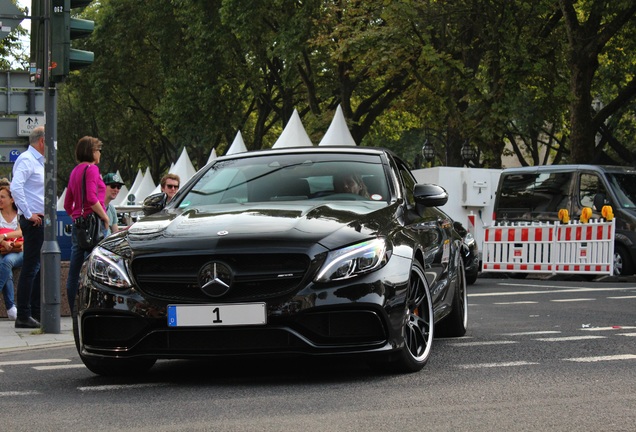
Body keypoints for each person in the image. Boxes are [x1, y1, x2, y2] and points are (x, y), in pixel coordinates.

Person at [64, 136, 110, 312]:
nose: (99, 153)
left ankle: (74, 312)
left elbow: (68, 204)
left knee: (74, 272)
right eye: (98, 150)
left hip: (79, 226)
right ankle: (94, 309)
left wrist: (77, 217)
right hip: (94, 223)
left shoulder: (75, 171)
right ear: (91, 151)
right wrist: (104, 217)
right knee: (96, 267)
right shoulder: (92, 169)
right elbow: (92, 198)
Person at [10, 126, 45, 329]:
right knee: (31, 267)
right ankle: (24, 314)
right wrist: (29, 212)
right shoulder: (27, 159)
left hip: (39, 220)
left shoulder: (37, 161)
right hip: (34, 222)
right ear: (41, 141)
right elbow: (16, 186)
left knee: (37, 267)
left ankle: (34, 312)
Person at [0, 180, 23, 321]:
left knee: (7, 261)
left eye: (2, 197)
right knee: (3, 264)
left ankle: (10, 307)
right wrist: (3, 242)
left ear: (11, 199)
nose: (0, 200)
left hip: (19, 251)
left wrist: (4, 236)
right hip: (2, 250)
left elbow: (21, 233)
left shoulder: (19, 214)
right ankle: (11, 309)